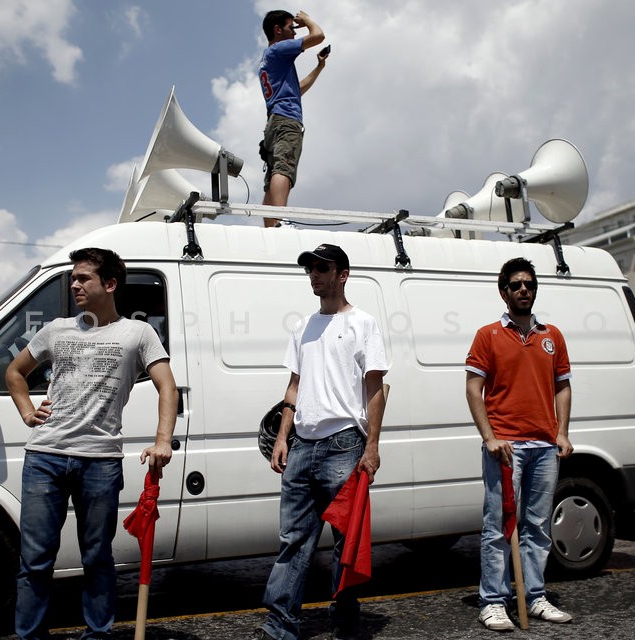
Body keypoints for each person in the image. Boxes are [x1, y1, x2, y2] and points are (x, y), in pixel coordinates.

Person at [6, 247, 178, 639]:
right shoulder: (57, 329)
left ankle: (97, 634)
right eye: (74, 276)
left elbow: (167, 386)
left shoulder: (138, 333)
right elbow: (15, 372)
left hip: (100, 461)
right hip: (45, 456)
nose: (74, 283)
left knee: (98, 557)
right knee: (34, 560)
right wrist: (27, 412)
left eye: (83, 277)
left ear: (111, 284)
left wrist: (162, 441)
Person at [254, 243, 387, 640]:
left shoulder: (363, 323)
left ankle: (345, 621)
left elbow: (376, 388)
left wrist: (373, 446)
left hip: (345, 443)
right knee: (293, 540)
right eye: (310, 268)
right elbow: (294, 384)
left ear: (342, 274)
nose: (314, 274)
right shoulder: (303, 326)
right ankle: (280, 626)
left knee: (347, 543)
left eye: (322, 267)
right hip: (302, 445)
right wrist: (283, 436)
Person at [465, 258, 574, 631]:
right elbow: (473, 389)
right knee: (498, 527)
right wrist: (490, 438)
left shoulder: (552, 336)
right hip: (506, 447)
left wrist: (562, 431)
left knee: (537, 526)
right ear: (504, 292)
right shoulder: (488, 335)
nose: (523, 289)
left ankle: (534, 596)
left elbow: (562, 386)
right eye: (516, 285)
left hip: (544, 446)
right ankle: (493, 601)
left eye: (529, 284)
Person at [258, 9, 329, 226]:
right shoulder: (278, 49)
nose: (294, 34)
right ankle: (280, 222)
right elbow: (318, 36)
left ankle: (271, 229)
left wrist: (319, 67)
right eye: (291, 28)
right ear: (277, 30)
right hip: (286, 121)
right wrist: (306, 20)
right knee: (283, 169)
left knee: (273, 177)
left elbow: (296, 90)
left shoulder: (268, 59)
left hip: (275, 121)